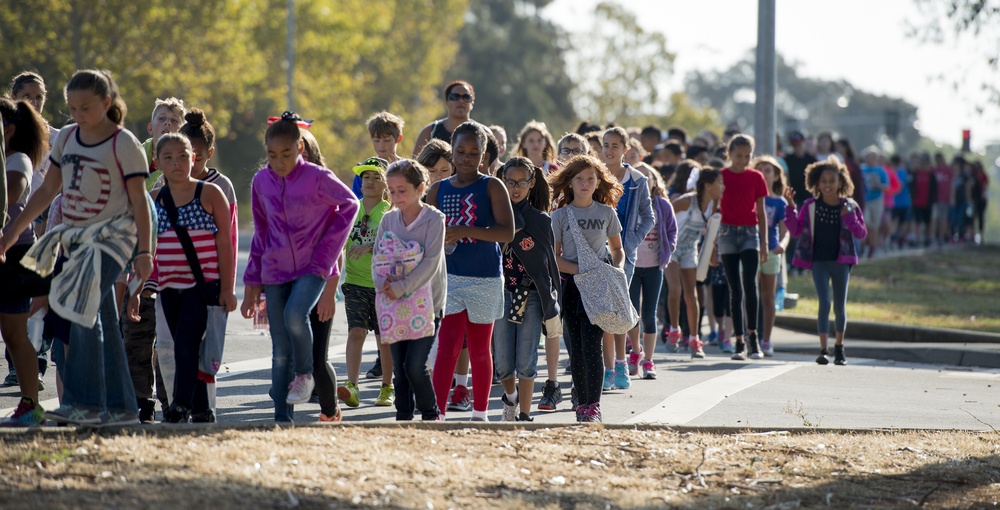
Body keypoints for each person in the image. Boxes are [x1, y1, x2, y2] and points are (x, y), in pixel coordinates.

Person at [1, 70, 153, 426]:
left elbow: (140, 203)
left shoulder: (124, 143)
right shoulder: (67, 137)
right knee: (101, 321)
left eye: (86, 107)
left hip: (113, 241)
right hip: (74, 240)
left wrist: (145, 252)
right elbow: (46, 190)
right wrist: (12, 231)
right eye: (72, 108)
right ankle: (122, 408)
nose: (78, 114)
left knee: (77, 307)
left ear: (106, 103)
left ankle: (85, 403)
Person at [240, 111, 359, 422]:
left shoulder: (317, 177)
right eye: (272, 155)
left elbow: (350, 205)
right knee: (280, 350)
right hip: (274, 272)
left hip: (312, 268)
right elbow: (261, 231)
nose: (279, 162)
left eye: (286, 154)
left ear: (300, 149)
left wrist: (325, 258)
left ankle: (305, 375)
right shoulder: (261, 181)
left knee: (296, 314)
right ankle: (282, 418)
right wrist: (252, 282)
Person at [138, 133, 235, 423]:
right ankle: (202, 409)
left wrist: (228, 289)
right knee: (180, 347)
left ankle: (180, 405)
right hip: (168, 286)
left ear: (194, 158)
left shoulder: (210, 194)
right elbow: (145, 247)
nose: (177, 162)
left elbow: (225, 245)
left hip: (202, 286)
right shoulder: (153, 200)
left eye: (183, 156)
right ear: (157, 163)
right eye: (168, 157)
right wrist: (135, 288)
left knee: (187, 343)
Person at [427, 122, 514, 421]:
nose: (466, 157)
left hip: (485, 279)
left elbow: (507, 233)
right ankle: (436, 413)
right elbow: (428, 236)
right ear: (451, 152)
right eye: (460, 151)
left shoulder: (492, 185)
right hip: (448, 279)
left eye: (473, 152)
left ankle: (480, 413)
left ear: (484, 155)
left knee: (479, 350)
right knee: (448, 348)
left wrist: (466, 230)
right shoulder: (437, 189)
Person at [549, 154, 624, 422]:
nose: (584, 183)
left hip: (599, 289)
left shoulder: (606, 213)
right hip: (570, 287)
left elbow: (617, 250)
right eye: (579, 178)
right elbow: (555, 258)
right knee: (576, 350)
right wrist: (582, 270)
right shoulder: (558, 216)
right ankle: (581, 403)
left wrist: (615, 271)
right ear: (569, 183)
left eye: (590, 179)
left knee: (593, 347)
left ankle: (593, 406)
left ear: (597, 182)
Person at [375, 159, 447, 421]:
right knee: (400, 369)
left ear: (421, 188)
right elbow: (378, 256)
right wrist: (381, 283)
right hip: (393, 304)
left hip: (428, 306)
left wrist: (402, 286)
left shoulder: (434, 219)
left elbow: (431, 262)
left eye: (402, 190)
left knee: (415, 366)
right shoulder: (388, 220)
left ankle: (431, 414)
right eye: (391, 191)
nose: (396, 196)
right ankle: (403, 418)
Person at [493, 157, 561, 421]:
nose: (516, 187)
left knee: (526, 359)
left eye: (522, 181)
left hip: (530, 295)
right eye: (510, 182)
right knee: (503, 363)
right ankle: (510, 396)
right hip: (501, 293)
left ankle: (524, 414)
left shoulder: (541, 221)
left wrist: (552, 302)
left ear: (532, 183)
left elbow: (548, 268)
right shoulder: (495, 215)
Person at [784, 159, 867, 366]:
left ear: (841, 182)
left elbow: (861, 233)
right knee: (825, 302)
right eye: (824, 181)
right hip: (818, 261)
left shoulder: (849, 206)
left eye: (832, 180)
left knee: (839, 306)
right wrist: (791, 209)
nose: (828, 185)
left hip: (841, 261)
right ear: (817, 183)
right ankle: (823, 349)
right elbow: (795, 231)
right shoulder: (810, 206)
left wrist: (849, 217)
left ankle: (839, 347)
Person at [0, 97, 49, 426]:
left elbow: (14, 193)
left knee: (15, 334)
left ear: (10, 129)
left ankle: (31, 404)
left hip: (14, 252)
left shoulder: (18, 159)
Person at [337, 157, 395, 408]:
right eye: (365, 177)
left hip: (384, 286)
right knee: (357, 332)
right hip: (355, 283)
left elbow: (398, 245)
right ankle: (352, 385)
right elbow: (338, 241)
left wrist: (370, 247)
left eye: (376, 177)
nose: (369, 182)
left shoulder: (391, 212)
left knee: (384, 339)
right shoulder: (350, 208)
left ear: (387, 184)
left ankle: (387, 386)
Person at [600, 127, 654, 391]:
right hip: (597, 254)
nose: (609, 151)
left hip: (624, 255)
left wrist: (630, 243)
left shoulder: (637, 180)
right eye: (605, 145)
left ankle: (621, 363)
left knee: (619, 308)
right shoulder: (594, 177)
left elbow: (648, 217)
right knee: (604, 312)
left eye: (614, 146)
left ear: (625, 150)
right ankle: (608, 368)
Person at [296, 128, 343, 422]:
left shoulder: (326, 187)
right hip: (287, 284)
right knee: (286, 354)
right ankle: (282, 414)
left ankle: (330, 410)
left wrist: (329, 291)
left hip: (319, 285)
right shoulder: (276, 188)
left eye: (302, 152)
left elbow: (337, 248)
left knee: (316, 358)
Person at [716, 134, 768, 360]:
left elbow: (762, 212)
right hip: (727, 233)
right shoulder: (721, 176)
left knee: (750, 285)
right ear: (729, 154)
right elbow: (714, 210)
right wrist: (713, 244)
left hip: (749, 233)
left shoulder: (756, 177)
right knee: (734, 288)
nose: (743, 160)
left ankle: (753, 338)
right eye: (738, 156)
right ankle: (738, 340)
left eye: (747, 156)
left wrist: (764, 242)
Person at [626, 167, 676, 377]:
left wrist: (668, 250)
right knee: (632, 313)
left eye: (649, 177)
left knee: (649, 313)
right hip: (632, 266)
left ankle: (649, 360)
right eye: (641, 177)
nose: (646, 181)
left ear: (655, 182)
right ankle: (636, 351)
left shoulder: (662, 205)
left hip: (654, 267)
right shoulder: (629, 202)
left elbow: (672, 231)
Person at [667, 169, 722, 359]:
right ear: (708, 186)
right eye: (719, 183)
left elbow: (711, 230)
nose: (722, 187)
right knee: (675, 290)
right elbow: (666, 212)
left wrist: (711, 252)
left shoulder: (714, 204)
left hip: (690, 249)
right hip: (672, 248)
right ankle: (674, 330)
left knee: (692, 295)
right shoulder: (686, 201)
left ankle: (694, 339)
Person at [753, 156, 789, 357]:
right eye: (759, 169)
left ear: (776, 176)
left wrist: (782, 246)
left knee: (768, 296)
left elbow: (785, 231)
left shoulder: (779, 202)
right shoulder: (751, 196)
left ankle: (766, 340)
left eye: (767, 170)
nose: (763, 173)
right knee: (750, 294)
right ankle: (749, 336)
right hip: (751, 249)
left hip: (772, 251)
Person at [412, 80, 474, 157]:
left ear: (472, 102)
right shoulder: (430, 132)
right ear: (447, 101)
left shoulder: (482, 133)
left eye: (466, 97)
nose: (461, 101)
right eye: (455, 97)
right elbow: (415, 165)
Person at [352, 111, 404, 199]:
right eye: (376, 140)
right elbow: (356, 199)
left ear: (398, 138)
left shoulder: (406, 168)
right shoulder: (364, 170)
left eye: (387, 140)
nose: (381, 145)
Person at [860, 148, 887, 257]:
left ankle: (872, 247)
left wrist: (878, 185)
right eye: (868, 157)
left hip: (876, 200)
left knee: (875, 225)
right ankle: (861, 247)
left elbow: (886, 187)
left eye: (873, 157)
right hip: (864, 200)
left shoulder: (880, 171)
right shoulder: (861, 169)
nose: (870, 159)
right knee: (864, 223)